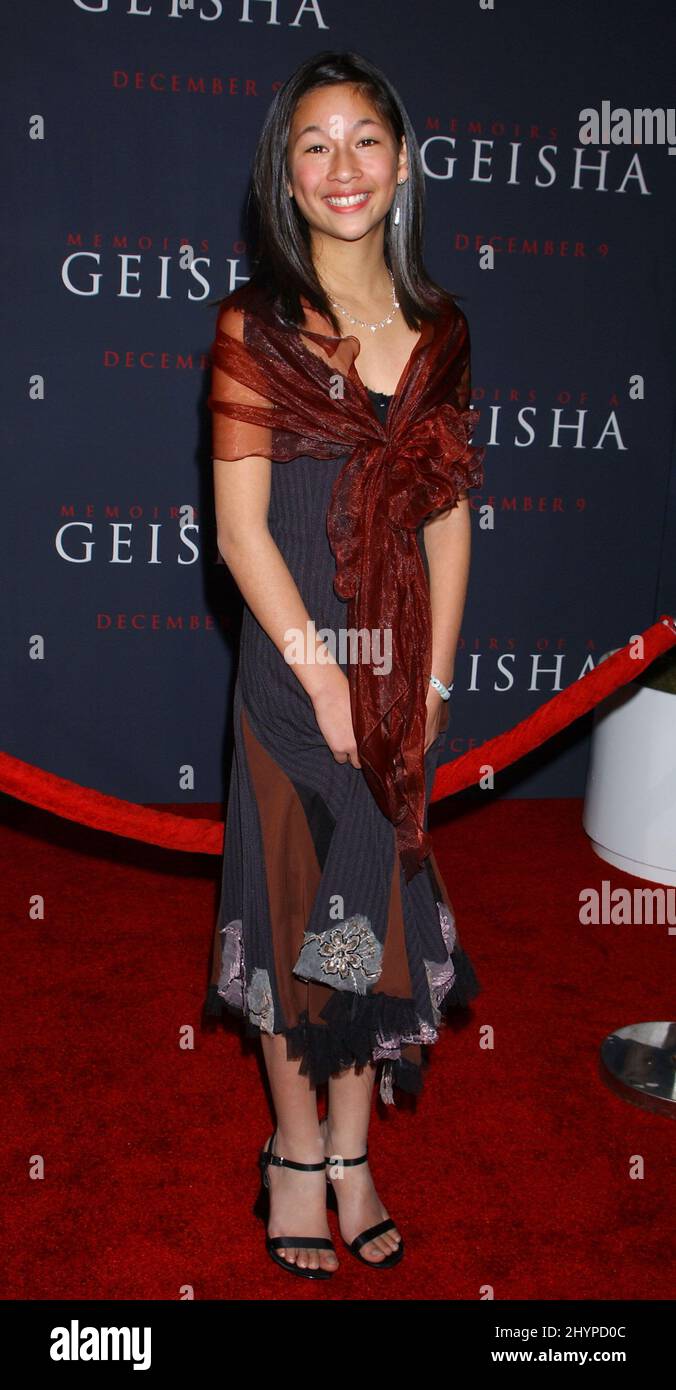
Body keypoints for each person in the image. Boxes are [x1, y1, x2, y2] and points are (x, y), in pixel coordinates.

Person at [204, 50, 484, 1280]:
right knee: (286, 928)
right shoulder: (252, 326)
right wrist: (323, 675)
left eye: (363, 138)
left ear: (403, 158)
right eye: (313, 144)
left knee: (355, 928)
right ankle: (293, 1147)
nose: (341, 166)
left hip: (394, 676)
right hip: (291, 670)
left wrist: (423, 689)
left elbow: (447, 517)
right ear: (286, 171)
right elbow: (239, 530)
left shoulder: (439, 330)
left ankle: (352, 1149)